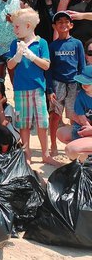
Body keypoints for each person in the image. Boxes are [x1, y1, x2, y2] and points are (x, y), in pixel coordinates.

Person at [7, 7, 59, 166]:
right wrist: (17, 56)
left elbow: (46, 65)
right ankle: (27, 153)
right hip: (20, 89)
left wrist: (31, 56)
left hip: (38, 89)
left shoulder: (41, 42)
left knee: (42, 122)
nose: (14, 29)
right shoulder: (14, 44)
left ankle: (45, 154)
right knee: (23, 123)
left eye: (17, 26)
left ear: (28, 26)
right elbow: (10, 65)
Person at [47, 11, 85, 156]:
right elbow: (49, 69)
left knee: (73, 116)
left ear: (71, 25)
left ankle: (73, 143)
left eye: (65, 22)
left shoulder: (77, 44)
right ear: (54, 26)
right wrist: (50, 89)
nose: (63, 24)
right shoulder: (52, 46)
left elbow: (81, 66)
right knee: (55, 115)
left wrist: (82, 86)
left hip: (74, 84)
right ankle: (53, 144)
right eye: (59, 22)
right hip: (57, 84)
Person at [57, 66, 92, 161]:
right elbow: (80, 115)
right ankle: (84, 150)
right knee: (61, 133)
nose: (84, 84)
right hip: (87, 126)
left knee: (71, 149)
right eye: (82, 81)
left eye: (87, 82)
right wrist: (87, 127)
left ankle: (84, 157)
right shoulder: (81, 95)